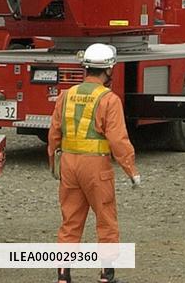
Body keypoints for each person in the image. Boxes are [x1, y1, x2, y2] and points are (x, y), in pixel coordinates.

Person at [47, 43, 141, 283]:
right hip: (96, 167)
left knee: (70, 220)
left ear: (85, 67)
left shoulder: (66, 96)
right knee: (106, 219)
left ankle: (63, 275)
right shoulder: (109, 99)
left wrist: (53, 163)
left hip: (69, 164)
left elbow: (54, 133)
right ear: (108, 70)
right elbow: (118, 139)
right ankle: (106, 275)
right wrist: (131, 170)